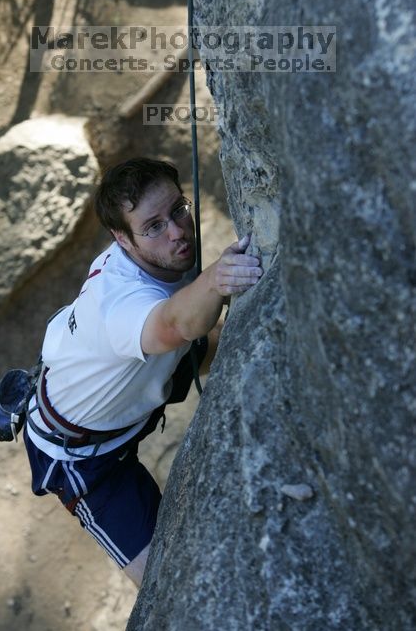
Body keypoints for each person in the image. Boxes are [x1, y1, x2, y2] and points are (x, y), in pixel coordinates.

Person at [23, 157, 263, 587]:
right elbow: (175, 325)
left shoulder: (151, 259)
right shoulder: (120, 301)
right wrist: (214, 280)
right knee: (167, 582)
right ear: (122, 238)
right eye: (153, 226)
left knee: (218, 346)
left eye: (178, 209)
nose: (176, 231)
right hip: (83, 458)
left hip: (129, 385)